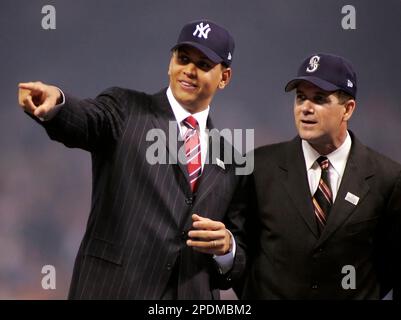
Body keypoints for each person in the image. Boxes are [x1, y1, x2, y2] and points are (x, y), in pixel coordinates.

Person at [18, 19, 244, 299]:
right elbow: (87, 120)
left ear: (224, 77)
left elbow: (240, 255)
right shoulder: (126, 110)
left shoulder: (232, 158)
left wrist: (227, 248)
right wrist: (58, 105)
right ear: (170, 62)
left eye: (203, 64)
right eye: (183, 58)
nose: (189, 70)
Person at [231, 53, 401, 299]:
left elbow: (392, 267)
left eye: (319, 99)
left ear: (348, 109)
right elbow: (242, 253)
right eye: (300, 98)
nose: (305, 109)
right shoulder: (258, 167)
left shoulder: (388, 178)